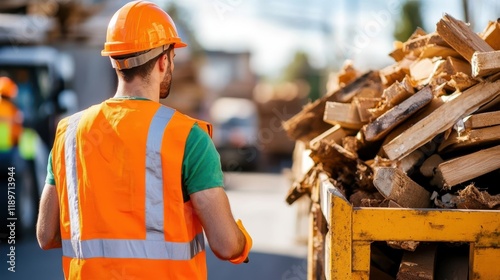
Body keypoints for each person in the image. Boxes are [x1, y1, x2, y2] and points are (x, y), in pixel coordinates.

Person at [36, 1, 252, 279]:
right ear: (165, 60)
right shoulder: (188, 138)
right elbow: (225, 245)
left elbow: (46, 234)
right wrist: (243, 243)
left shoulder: (69, 133)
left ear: (115, 61)